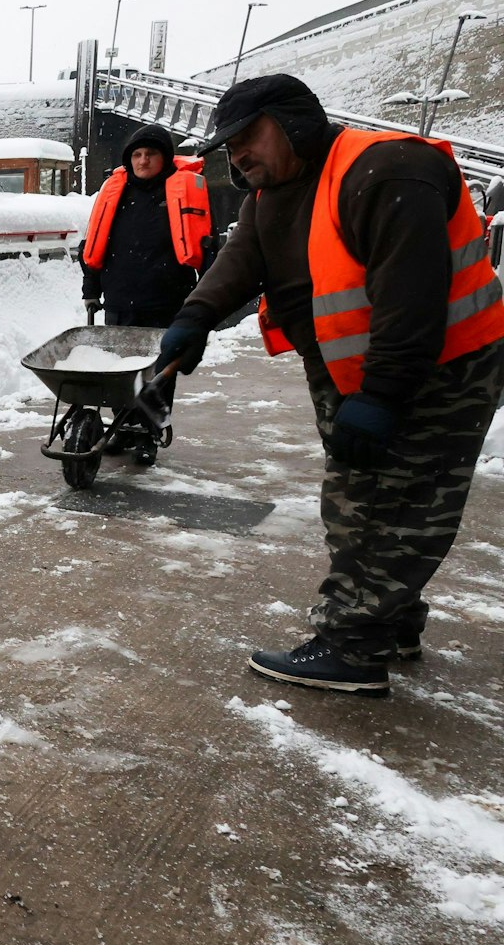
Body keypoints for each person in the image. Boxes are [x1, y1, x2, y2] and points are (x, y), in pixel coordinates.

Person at [154, 74, 504, 696]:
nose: (237, 155)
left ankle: (353, 647)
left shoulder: (386, 171)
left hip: (438, 368)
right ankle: (390, 622)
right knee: (370, 496)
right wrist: (194, 317)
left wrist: (382, 394)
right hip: (357, 370)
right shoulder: (274, 191)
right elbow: (243, 256)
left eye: (247, 137)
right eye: (228, 145)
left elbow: (413, 295)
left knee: (385, 504)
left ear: (292, 122)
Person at [81, 124, 213, 463]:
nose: (143, 160)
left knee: (158, 373)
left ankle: (149, 435)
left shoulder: (180, 193)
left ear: (165, 157)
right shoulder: (116, 194)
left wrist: (204, 301)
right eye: (137, 155)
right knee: (119, 371)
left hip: (166, 300)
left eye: (150, 154)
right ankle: (123, 429)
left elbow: (205, 248)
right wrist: (91, 289)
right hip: (119, 299)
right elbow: (94, 243)